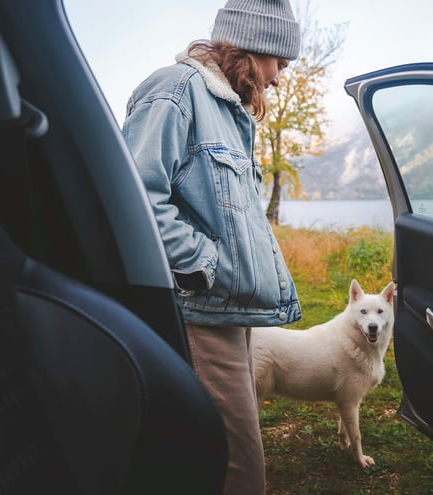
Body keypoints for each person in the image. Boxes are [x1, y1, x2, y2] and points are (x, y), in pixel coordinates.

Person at [121, 0, 303, 493]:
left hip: (227, 309)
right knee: (239, 468)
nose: (279, 79)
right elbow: (134, 199)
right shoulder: (173, 90)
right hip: (200, 310)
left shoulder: (229, 113)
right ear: (253, 48)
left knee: (221, 461)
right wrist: (207, 264)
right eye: (278, 64)